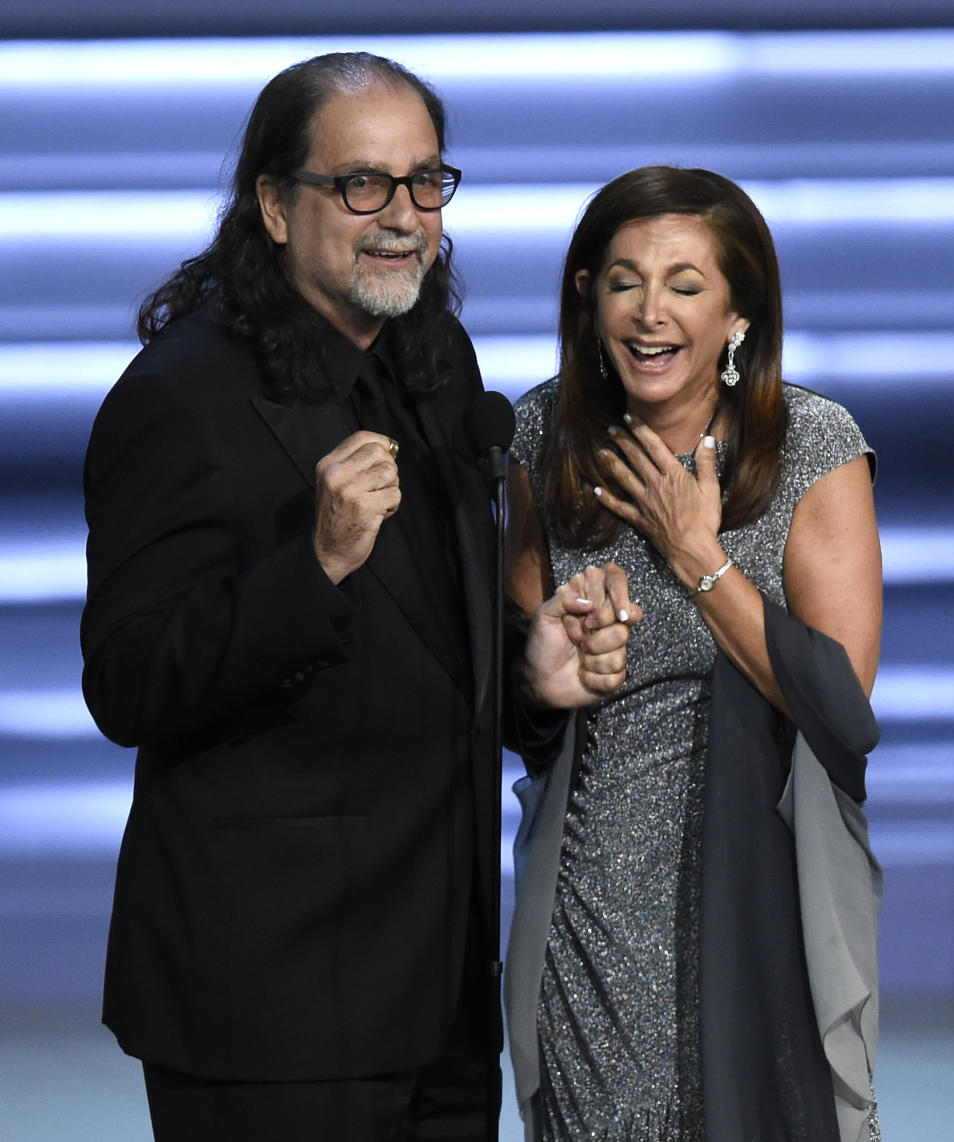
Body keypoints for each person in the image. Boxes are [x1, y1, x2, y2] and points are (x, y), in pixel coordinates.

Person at [80, 52, 639, 1142]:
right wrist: (316, 565)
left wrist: (533, 676)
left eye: (426, 182)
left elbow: (432, 640)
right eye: (362, 185)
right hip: (272, 1007)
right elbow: (129, 681)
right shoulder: (179, 400)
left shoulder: (436, 365)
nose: (403, 217)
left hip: (439, 998)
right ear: (275, 207)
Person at [504, 166, 884, 1142]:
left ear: (738, 315)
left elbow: (841, 704)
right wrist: (555, 657)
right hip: (588, 912)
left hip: (763, 907)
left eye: (684, 283)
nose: (649, 312)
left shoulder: (811, 444)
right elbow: (516, 699)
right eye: (624, 281)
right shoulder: (538, 437)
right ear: (588, 300)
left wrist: (698, 556)